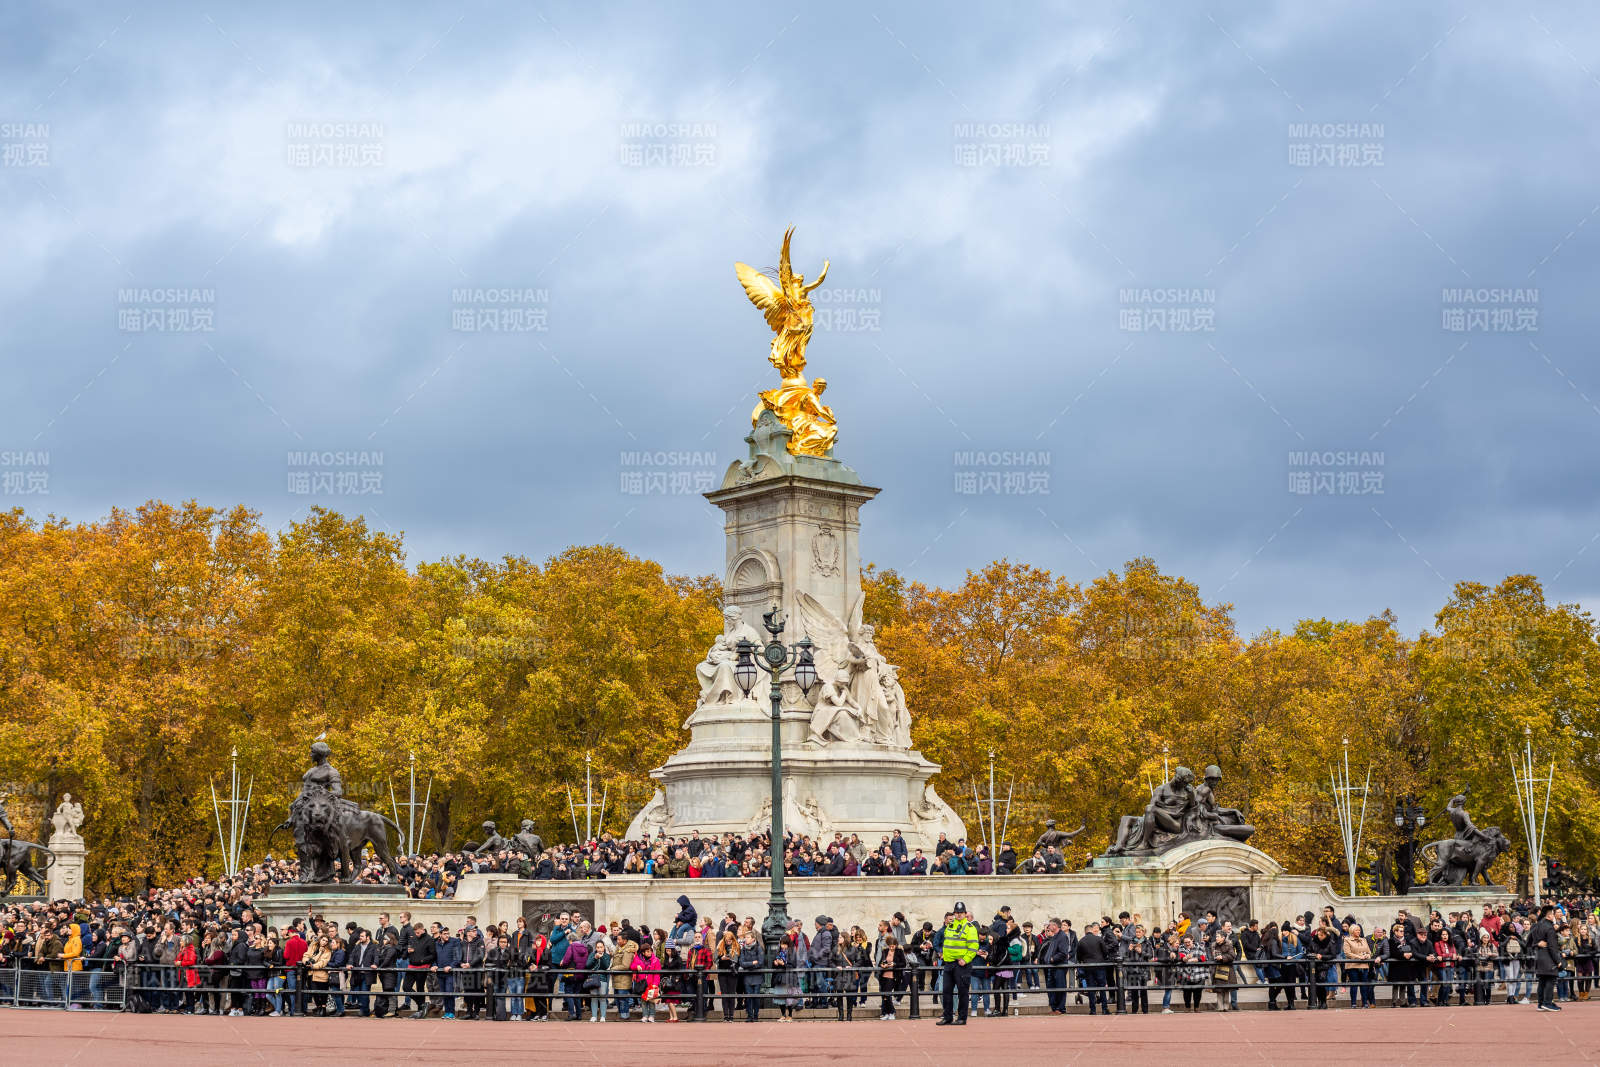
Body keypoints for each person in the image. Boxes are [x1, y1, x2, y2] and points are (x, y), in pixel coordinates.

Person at [936, 902, 978, 1026]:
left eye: (961, 912)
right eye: (957, 912)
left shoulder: (970, 927)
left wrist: (966, 959)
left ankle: (962, 1018)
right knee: (946, 991)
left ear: (965, 913)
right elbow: (947, 942)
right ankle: (947, 1017)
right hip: (948, 963)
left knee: (962, 992)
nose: (959, 914)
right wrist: (943, 954)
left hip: (961, 965)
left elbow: (974, 946)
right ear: (954, 913)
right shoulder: (950, 925)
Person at [1530, 904, 1562, 1012]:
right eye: (1553, 914)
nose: (1554, 916)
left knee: (1542, 981)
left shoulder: (1536, 926)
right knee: (1550, 980)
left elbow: (1528, 942)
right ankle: (1547, 1003)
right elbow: (1552, 947)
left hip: (1539, 957)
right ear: (1549, 916)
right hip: (1548, 958)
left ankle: (1541, 1003)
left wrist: (1537, 944)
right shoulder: (1549, 928)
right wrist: (1558, 961)